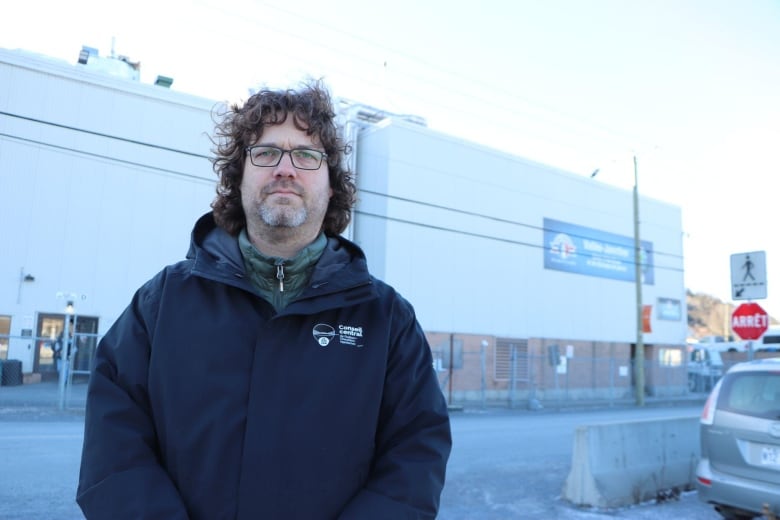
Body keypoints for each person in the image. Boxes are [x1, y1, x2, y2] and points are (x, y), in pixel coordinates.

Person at [77, 80, 452, 519]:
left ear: (332, 187)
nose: (286, 169)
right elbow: (114, 453)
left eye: (307, 155)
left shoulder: (386, 319)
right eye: (266, 153)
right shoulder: (161, 304)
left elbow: (414, 458)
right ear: (238, 179)